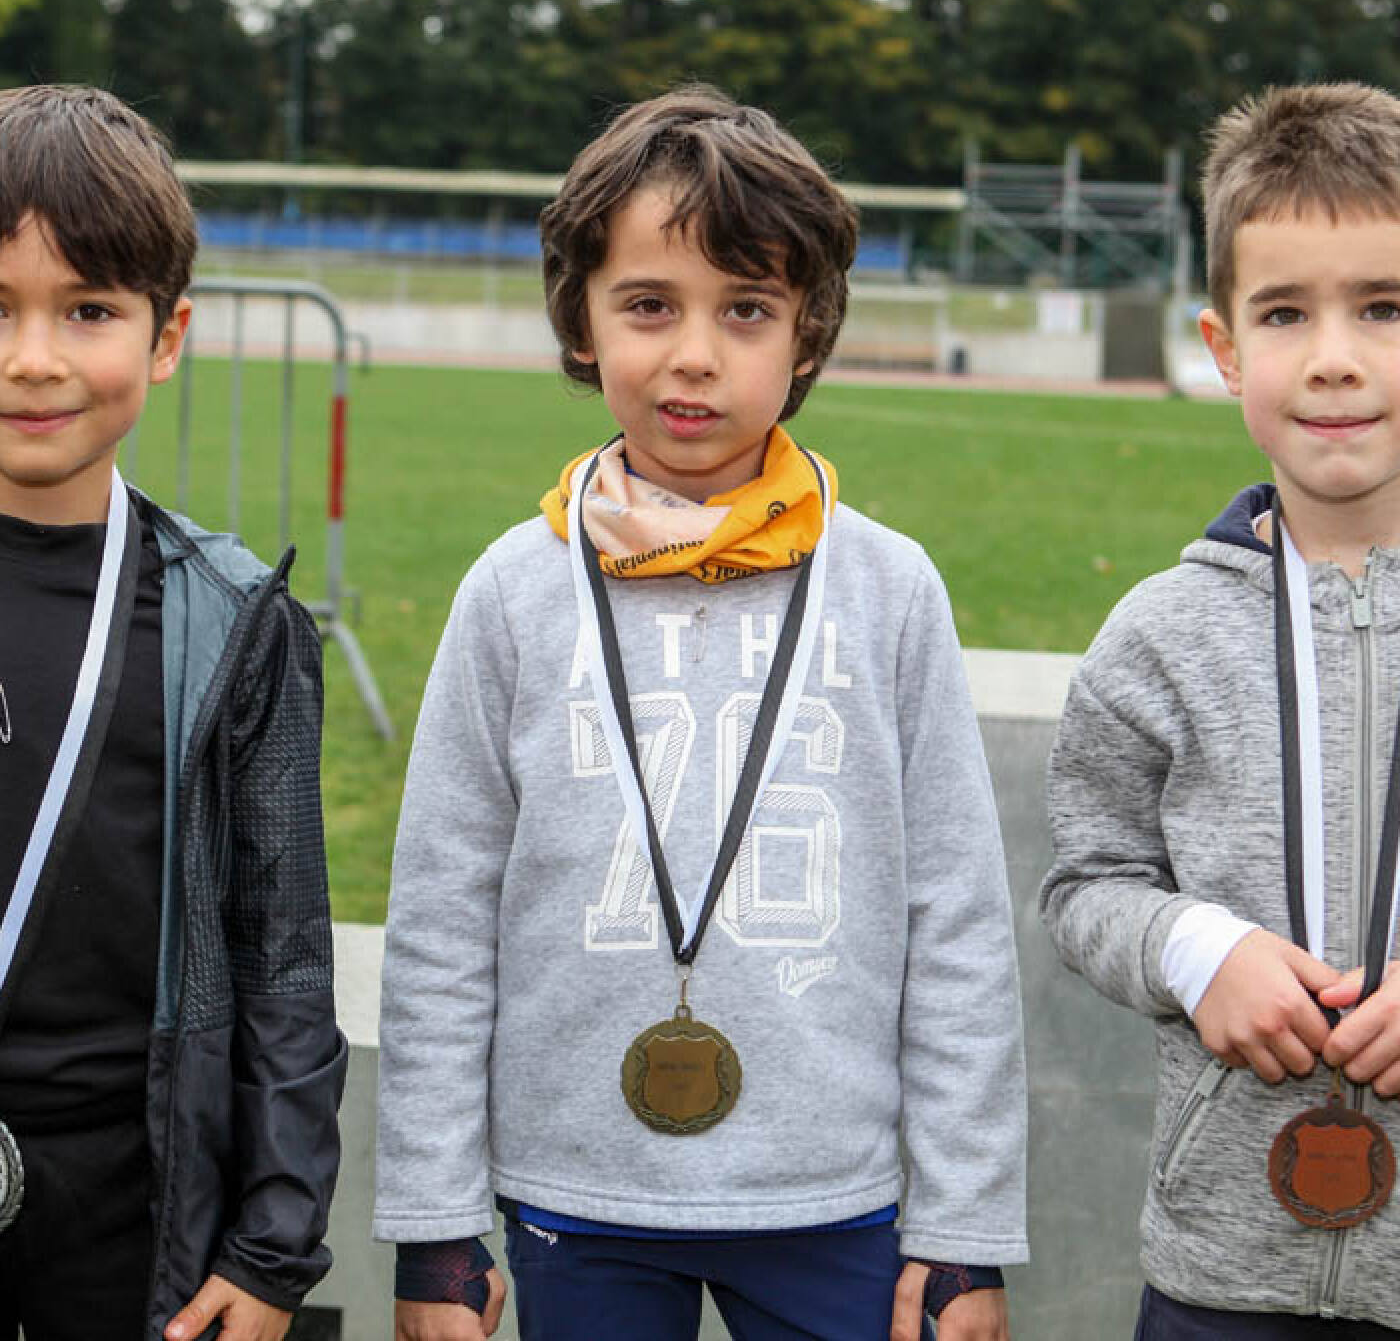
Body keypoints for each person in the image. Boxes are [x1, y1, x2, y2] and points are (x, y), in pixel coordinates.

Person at [374, 84, 1028, 1341]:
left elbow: (955, 925)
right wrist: (433, 1224)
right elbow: (442, 925)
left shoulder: (888, 589)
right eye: (647, 305)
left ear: (807, 331)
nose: (693, 354)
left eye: (745, 309)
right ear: (578, 319)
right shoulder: (511, 591)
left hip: (835, 1196)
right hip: (575, 1194)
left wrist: (964, 1227)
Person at [1042, 81, 1400, 1338]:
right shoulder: (1158, 633)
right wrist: (1196, 949)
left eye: (1382, 307)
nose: (1334, 355)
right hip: (1217, 1275)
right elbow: (1084, 884)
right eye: (1284, 311)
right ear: (1223, 346)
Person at [0, 85, 346, 1341]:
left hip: (135, 1202)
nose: (33, 357)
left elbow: (283, 958)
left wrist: (272, 1246)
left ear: (167, 334)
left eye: (88, 309)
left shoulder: (237, 621)